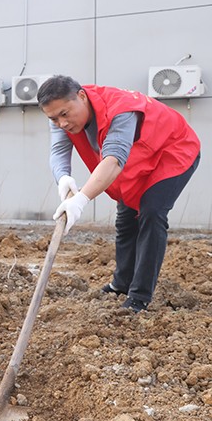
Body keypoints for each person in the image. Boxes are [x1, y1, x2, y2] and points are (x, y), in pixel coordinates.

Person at [38, 75, 200, 313]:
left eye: (65, 114)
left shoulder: (120, 109)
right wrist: (63, 177)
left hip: (173, 150)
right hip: (138, 158)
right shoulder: (60, 116)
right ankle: (121, 283)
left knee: (152, 213)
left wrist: (81, 200)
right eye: (53, 118)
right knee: (126, 219)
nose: (61, 123)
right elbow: (59, 150)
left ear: (82, 96)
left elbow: (113, 160)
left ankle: (139, 296)